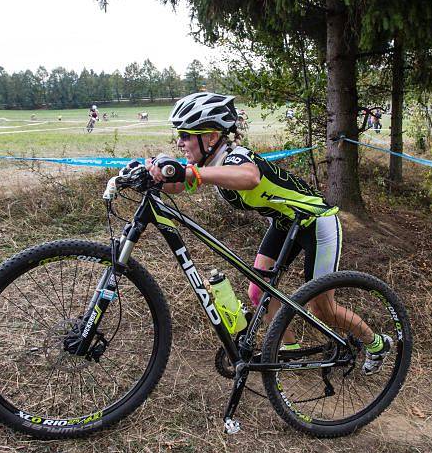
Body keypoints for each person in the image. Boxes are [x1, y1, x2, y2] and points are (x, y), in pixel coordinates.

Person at [146, 92, 393, 375]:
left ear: (212, 137)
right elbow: (179, 185)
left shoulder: (237, 157)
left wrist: (192, 174)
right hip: (285, 223)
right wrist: (152, 175)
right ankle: (286, 352)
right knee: (259, 289)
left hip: (316, 222)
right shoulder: (208, 165)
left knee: (322, 308)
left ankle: (376, 343)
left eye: (186, 135)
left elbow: (249, 177)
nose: (180, 142)